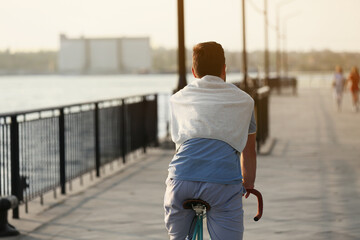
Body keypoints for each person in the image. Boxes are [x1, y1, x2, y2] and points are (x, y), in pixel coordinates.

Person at [164, 41, 257, 240]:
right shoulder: (245, 101)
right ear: (224, 70)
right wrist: (248, 183)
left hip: (181, 180)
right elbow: (249, 151)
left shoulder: (177, 99)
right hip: (222, 183)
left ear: (193, 72)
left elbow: (179, 143)